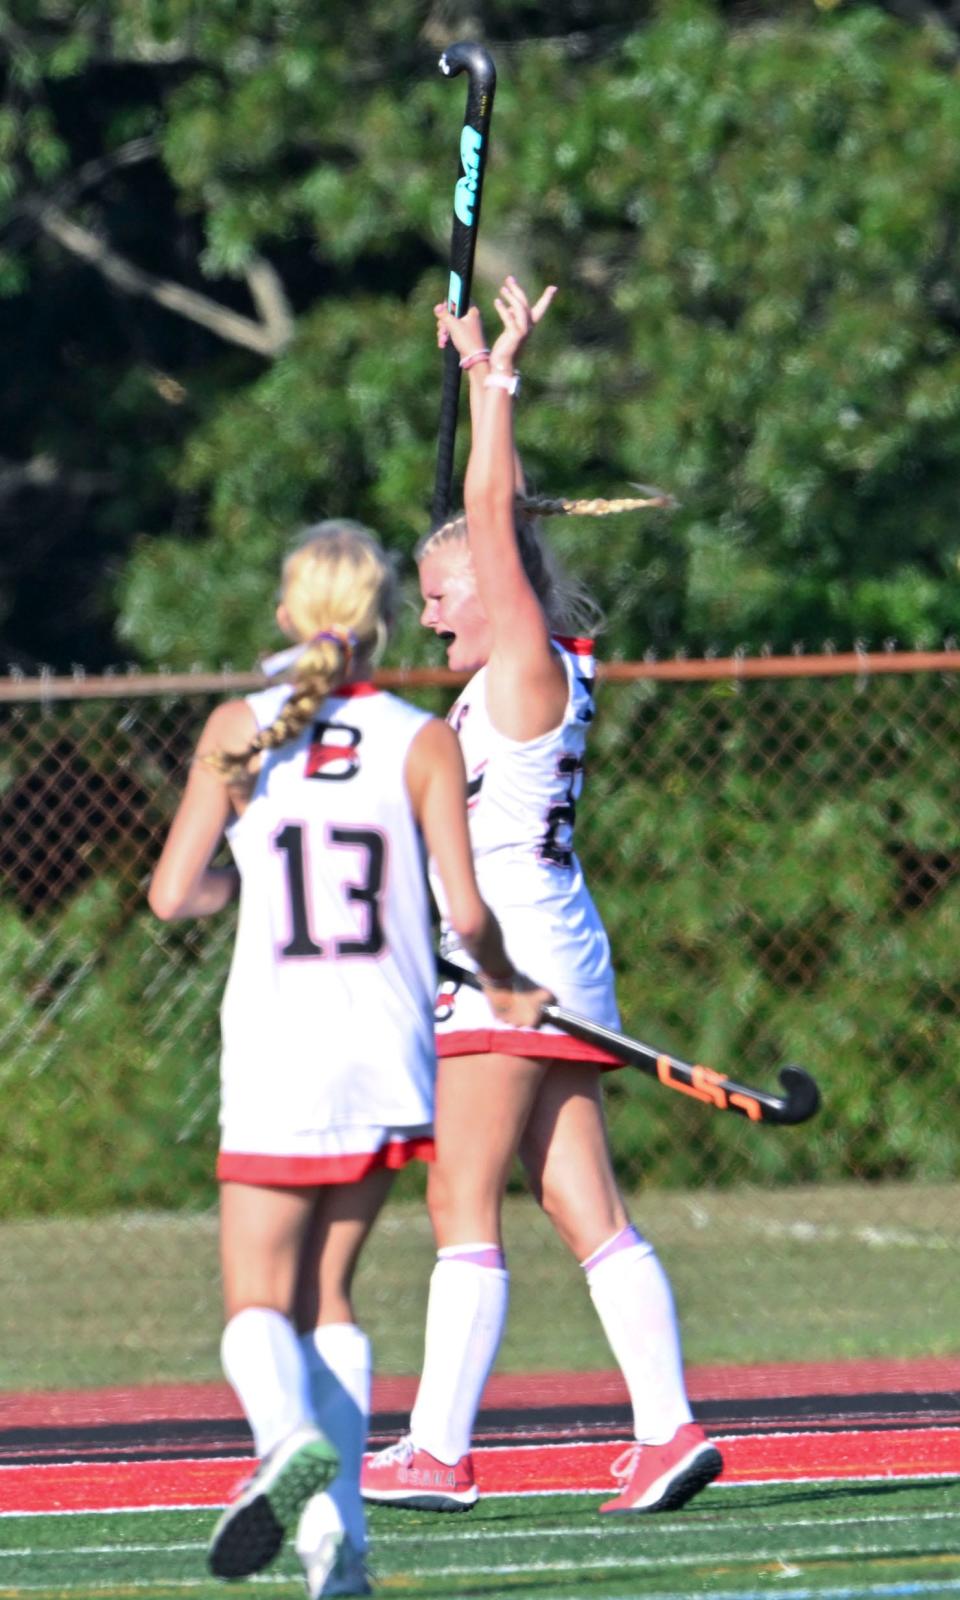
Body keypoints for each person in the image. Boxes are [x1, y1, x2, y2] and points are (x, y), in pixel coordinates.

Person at [360, 280, 723, 1516]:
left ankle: (437, 1450)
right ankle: (668, 1429)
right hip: (559, 950)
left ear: (498, 584)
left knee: (459, 1195)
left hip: (513, 960)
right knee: (582, 1203)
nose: (429, 609)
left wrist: (491, 372)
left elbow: (482, 508)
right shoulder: (526, 671)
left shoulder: (520, 660)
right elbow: (478, 522)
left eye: (441, 590)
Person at [148, 521, 551, 1597]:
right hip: (390, 1055)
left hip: (278, 1051)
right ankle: (343, 1548)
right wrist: (508, 983)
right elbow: (465, 908)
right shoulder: (423, 739)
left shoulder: (241, 726)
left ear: (288, 617)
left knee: (255, 1306)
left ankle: (284, 1445)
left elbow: (173, 893)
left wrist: (246, 885)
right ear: (377, 621)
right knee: (331, 1295)